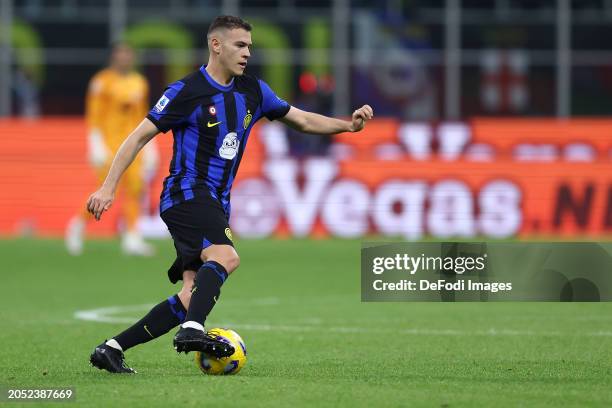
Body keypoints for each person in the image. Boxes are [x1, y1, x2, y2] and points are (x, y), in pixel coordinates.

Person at [87, 16, 373, 374]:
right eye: (240, 45)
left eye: (250, 46)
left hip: (216, 201)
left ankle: (112, 348)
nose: (248, 53)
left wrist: (347, 125)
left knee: (191, 294)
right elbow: (138, 136)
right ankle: (192, 330)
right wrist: (108, 186)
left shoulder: (253, 91)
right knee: (227, 257)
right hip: (186, 193)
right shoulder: (185, 91)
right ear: (216, 45)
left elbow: (301, 120)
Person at [65, 43, 158, 257]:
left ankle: (132, 237)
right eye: (121, 54)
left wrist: (150, 144)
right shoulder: (101, 82)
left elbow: (143, 116)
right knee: (105, 189)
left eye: (128, 54)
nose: (125, 58)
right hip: (110, 145)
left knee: (136, 188)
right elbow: (94, 115)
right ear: (113, 57)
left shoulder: (139, 82)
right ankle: (77, 225)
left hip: (134, 145)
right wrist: (95, 143)